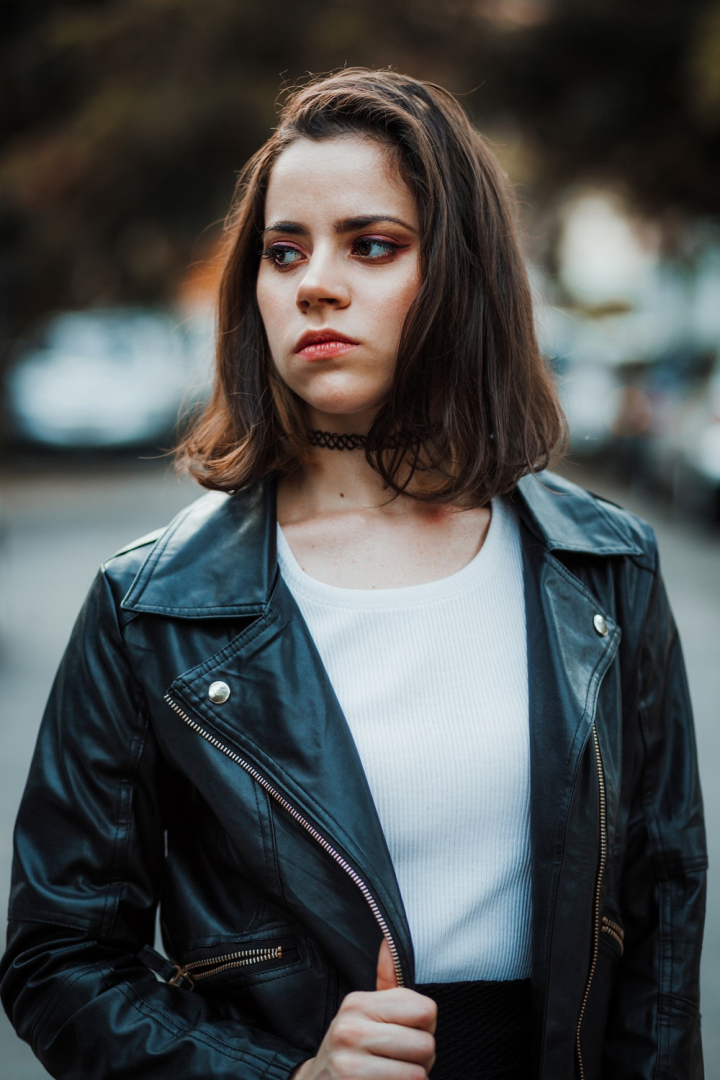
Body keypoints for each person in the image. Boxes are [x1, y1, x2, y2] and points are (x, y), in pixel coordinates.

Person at [0, 68, 707, 1080]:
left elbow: (662, 928)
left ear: (462, 273)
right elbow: (58, 961)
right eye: (284, 252)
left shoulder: (605, 571)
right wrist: (281, 1077)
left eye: (371, 244)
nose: (312, 283)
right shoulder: (151, 606)